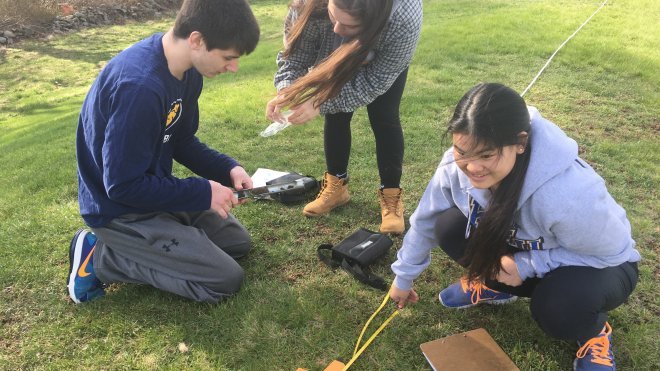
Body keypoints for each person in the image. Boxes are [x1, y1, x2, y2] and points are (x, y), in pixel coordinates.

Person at [389, 83, 641, 370]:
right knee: (448, 226)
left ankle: (594, 333)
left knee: (557, 308)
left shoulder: (567, 195)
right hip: (528, 253)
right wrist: (403, 277)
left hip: (601, 265)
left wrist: (528, 265)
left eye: (486, 155)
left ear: (520, 143)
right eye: (462, 152)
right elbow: (425, 219)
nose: (472, 168)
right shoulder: (452, 166)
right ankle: (497, 287)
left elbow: (614, 254)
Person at [67, 0, 260, 304]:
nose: (233, 67)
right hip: (119, 210)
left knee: (237, 243)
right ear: (197, 40)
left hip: (151, 192)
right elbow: (121, 185)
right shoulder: (140, 87)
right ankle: (101, 257)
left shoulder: (188, 71)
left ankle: (168, 238)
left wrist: (227, 169)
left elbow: (181, 141)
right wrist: (202, 192)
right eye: (228, 57)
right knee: (224, 279)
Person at [265, 0, 423, 234]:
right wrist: (288, 90)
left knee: (385, 117)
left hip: (382, 59)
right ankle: (337, 187)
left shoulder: (403, 18)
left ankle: (391, 195)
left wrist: (319, 102)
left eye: (347, 25)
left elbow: (372, 83)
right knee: (336, 116)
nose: (337, 29)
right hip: (336, 56)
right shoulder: (306, 4)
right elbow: (295, 56)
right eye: (333, 17)